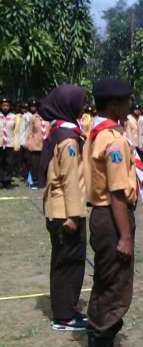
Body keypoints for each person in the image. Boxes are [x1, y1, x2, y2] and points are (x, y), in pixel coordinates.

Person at [83, 78, 140, 347]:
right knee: (116, 285)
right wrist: (126, 236)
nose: (130, 106)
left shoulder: (96, 132)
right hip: (112, 217)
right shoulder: (113, 139)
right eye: (127, 101)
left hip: (102, 215)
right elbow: (118, 191)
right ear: (115, 104)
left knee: (105, 281)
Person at [39, 85, 88, 332]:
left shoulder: (59, 131)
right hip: (66, 212)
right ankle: (65, 316)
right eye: (80, 102)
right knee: (70, 263)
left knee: (63, 263)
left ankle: (66, 310)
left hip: (56, 209)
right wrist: (75, 216)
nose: (83, 107)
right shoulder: (68, 139)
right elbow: (70, 181)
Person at [26, 99, 49, 188]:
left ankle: (43, 181)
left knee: (45, 164)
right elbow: (30, 132)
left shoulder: (49, 117)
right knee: (35, 164)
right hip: (35, 145)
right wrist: (29, 144)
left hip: (46, 145)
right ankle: (35, 181)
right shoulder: (34, 118)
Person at [0, 97, 15, 189]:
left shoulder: (14, 117)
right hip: (0, 143)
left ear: (10, 106)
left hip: (9, 143)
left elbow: (17, 131)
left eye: (7, 105)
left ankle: (7, 181)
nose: (5, 107)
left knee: (9, 163)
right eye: (3, 105)